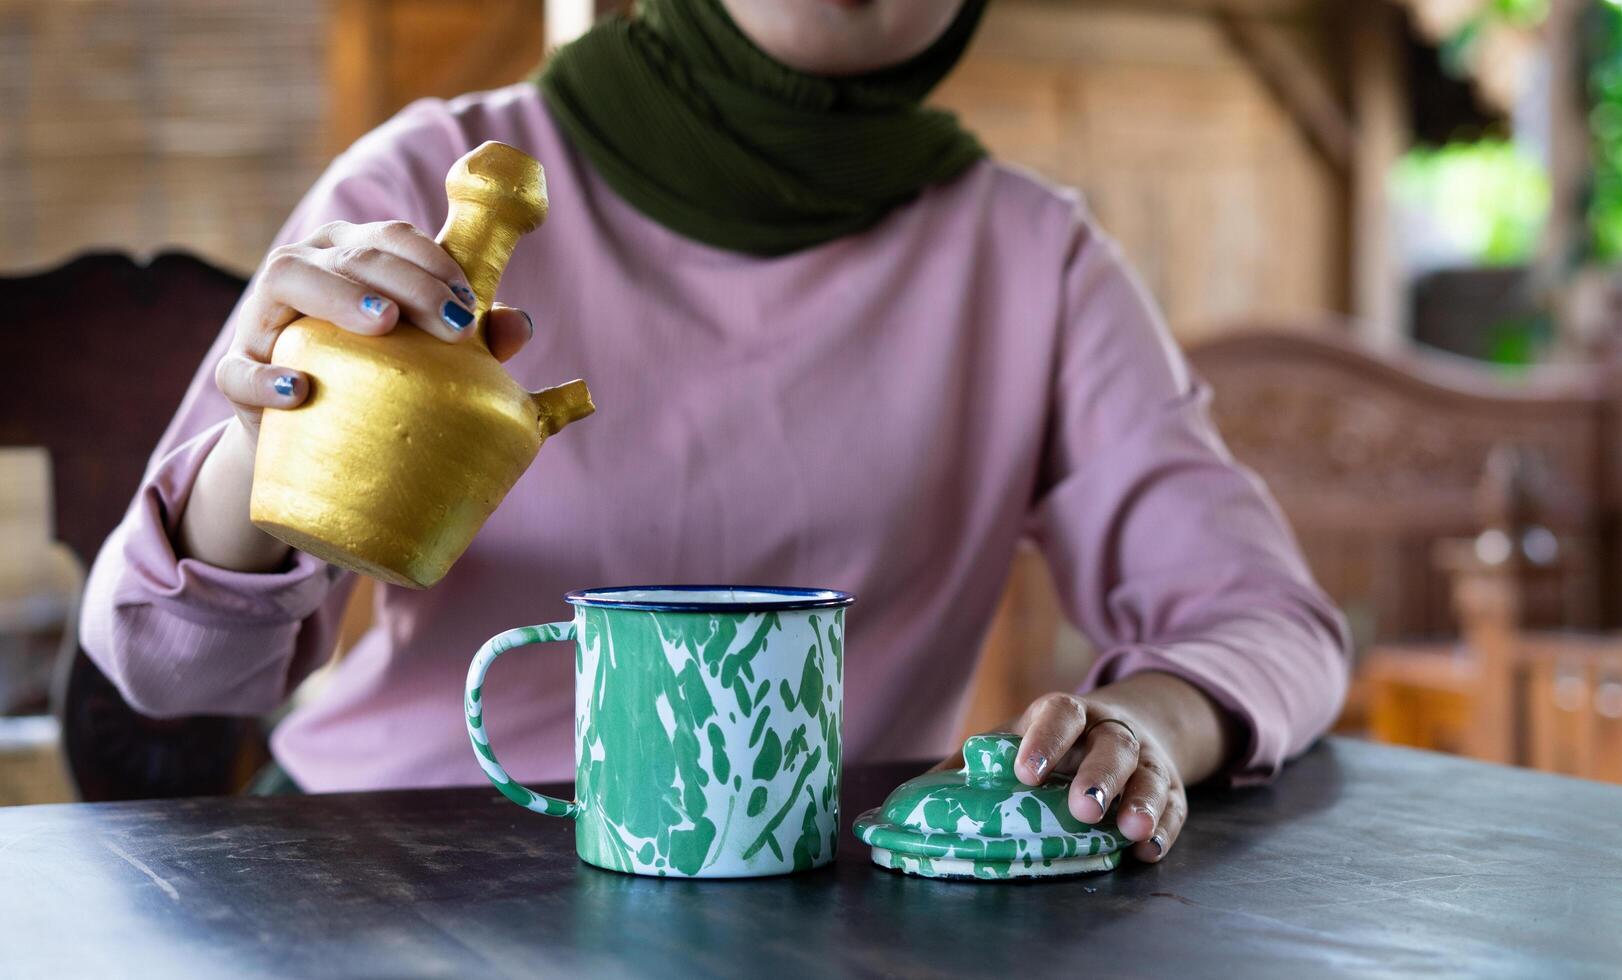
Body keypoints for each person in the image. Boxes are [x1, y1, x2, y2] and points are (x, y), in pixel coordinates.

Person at [81, 0, 1348, 864]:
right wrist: (269, 444)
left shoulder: (1032, 259)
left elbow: (1264, 618)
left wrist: (1145, 734)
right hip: (380, 880)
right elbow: (170, 674)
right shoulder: (421, 183)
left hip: (803, 906)